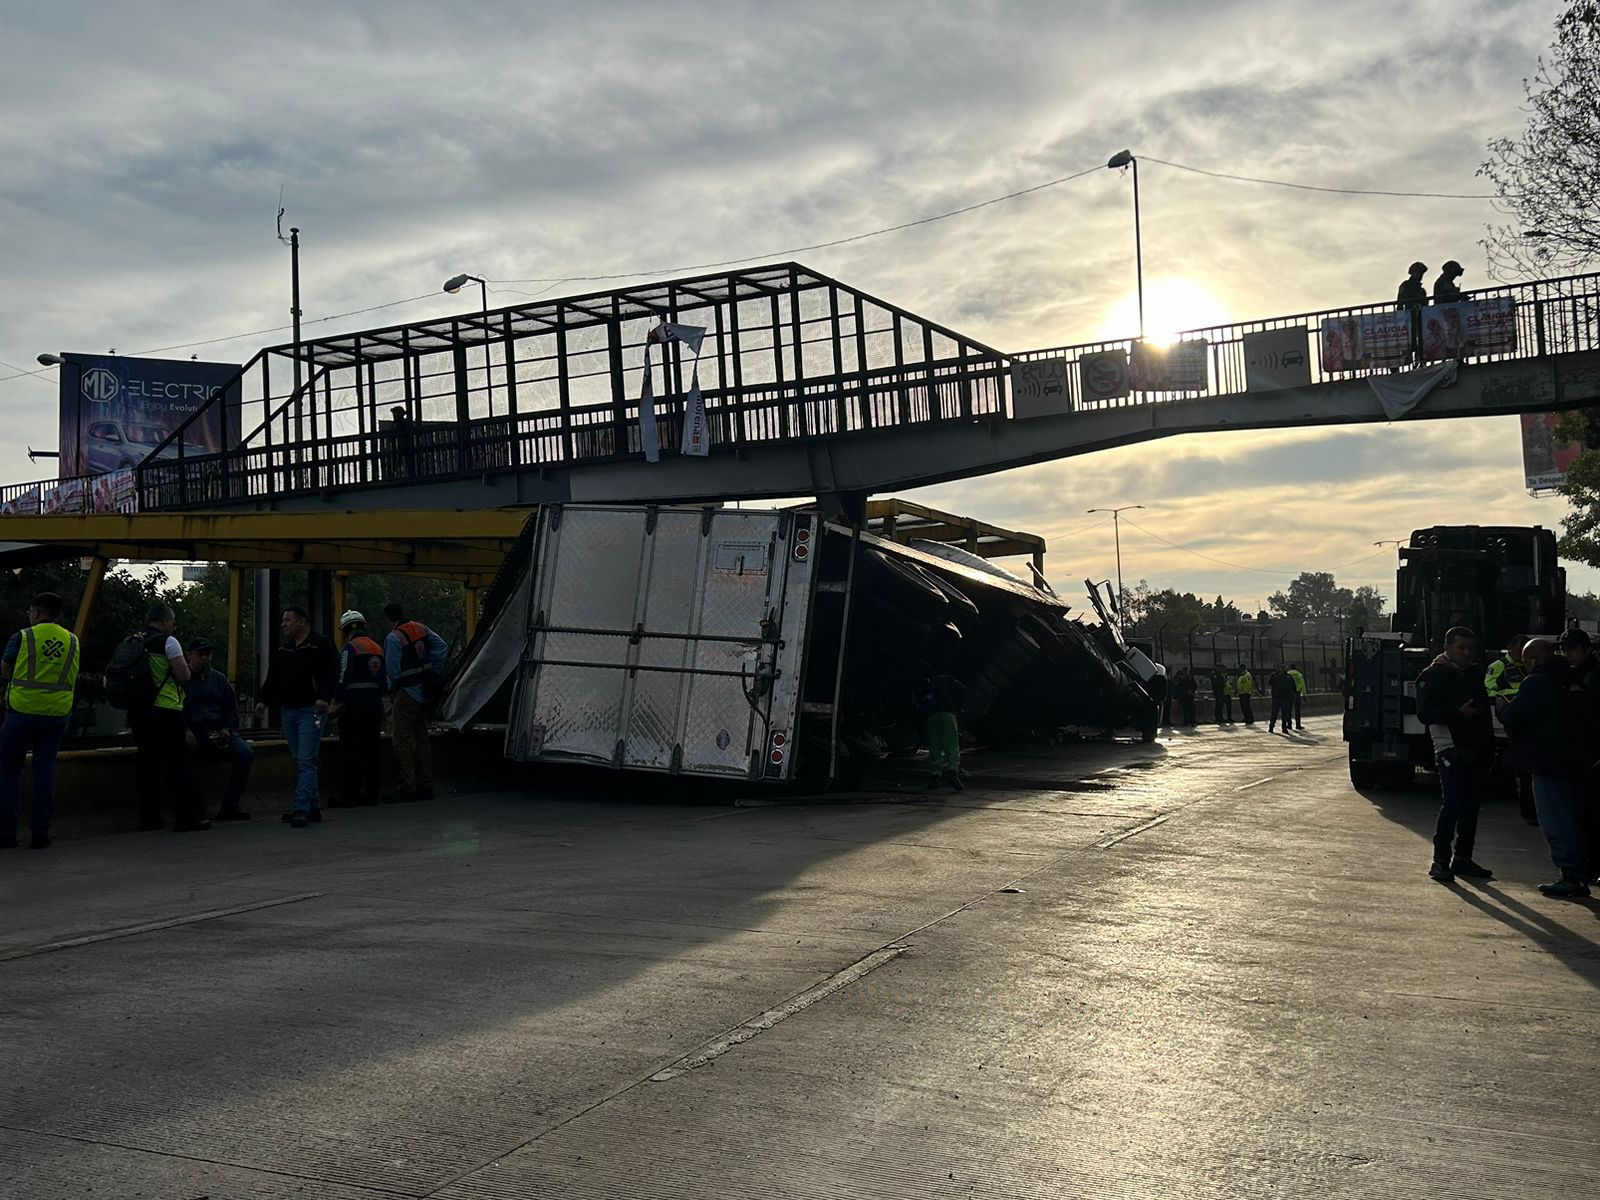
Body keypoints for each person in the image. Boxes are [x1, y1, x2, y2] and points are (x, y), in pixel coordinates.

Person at [1498, 638, 1589, 898]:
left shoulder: (1537, 683)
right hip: (1579, 760)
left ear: (1534, 659)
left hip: (1548, 761)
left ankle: (1570, 876)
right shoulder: (1575, 680)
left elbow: (1515, 715)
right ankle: (1582, 871)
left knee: (1556, 819)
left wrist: (1503, 708)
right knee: (1577, 818)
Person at [0, 593, 81, 849]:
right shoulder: (72, 640)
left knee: (8, 772)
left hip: (21, 712)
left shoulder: (23, 637)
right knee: (45, 772)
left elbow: (4, 669)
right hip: (57, 715)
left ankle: (6, 834)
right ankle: (40, 834)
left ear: (35, 613)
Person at [1415, 626, 1495, 884]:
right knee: (1453, 804)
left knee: (1471, 807)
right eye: (1461, 648)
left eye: (1471, 649)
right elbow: (1425, 714)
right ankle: (1440, 862)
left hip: (1476, 750)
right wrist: (1458, 714)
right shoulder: (1433, 675)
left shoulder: (1473, 674)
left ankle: (1463, 858)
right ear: (1448, 648)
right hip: (1450, 749)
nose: (1467, 653)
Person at [256, 605, 338, 828]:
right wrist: (263, 701)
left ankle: (300, 808)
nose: (284, 624)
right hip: (288, 710)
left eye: (288, 620)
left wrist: (324, 697)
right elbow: (273, 678)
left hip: (311, 711)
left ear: (302, 622)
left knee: (306, 760)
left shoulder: (321, 645)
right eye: (283, 620)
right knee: (301, 760)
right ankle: (313, 807)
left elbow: (332, 672)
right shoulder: (285, 650)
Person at [130, 604, 208, 833]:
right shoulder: (168, 641)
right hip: (166, 709)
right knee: (178, 766)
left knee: (147, 765)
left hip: (140, 711)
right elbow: (184, 675)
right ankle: (187, 818)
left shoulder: (133, 640)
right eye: (172, 623)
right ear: (164, 622)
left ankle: (150, 819)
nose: (173, 627)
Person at [182, 638, 252, 821]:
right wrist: (186, 730)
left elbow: (231, 710)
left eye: (208, 654)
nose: (205, 659)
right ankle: (196, 807)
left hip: (219, 732)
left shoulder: (219, 680)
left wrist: (227, 729)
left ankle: (230, 804)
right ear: (189, 656)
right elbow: (176, 711)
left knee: (245, 754)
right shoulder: (182, 680)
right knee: (187, 760)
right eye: (201, 654)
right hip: (195, 733)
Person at [384, 603, 448, 802]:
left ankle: (406, 787)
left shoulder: (393, 638)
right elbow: (442, 647)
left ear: (389, 619)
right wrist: (432, 672)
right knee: (421, 738)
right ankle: (426, 784)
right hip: (425, 692)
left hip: (407, 692)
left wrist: (390, 688)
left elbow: (393, 672)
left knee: (401, 739)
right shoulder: (420, 628)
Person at [1558, 628, 1600, 883]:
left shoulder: (1593, 677)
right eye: (1564, 650)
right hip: (1582, 753)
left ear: (1586, 649)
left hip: (1592, 754)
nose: (1567, 654)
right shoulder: (1577, 674)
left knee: (1593, 815)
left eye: (1571, 650)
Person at [331, 610, 385, 808]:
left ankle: (351, 794)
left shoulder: (350, 648)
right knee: (371, 749)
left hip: (354, 706)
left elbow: (344, 674)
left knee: (351, 749)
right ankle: (372, 793)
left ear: (345, 630)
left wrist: (336, 702)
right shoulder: (378, 648)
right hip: (374, 704)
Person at [1485, 636, 1536, 825]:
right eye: (1520, 647)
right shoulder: (1498, 666)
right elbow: (1489, 689)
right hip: (1507, 715)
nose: (1523, 652)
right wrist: (1516, 695)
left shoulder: (1528, 666)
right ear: (1510, 647)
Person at [913, 672, 966, 791]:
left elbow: (918, 706)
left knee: (934, 745)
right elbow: (962, 688)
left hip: (931, 716)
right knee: (951, 744)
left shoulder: (923, 686)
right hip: (948, 713)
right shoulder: (947, 680)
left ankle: (936, 775)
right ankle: (952, 772)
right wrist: (958, 707)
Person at [1397, 261, 1428, 359]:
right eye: (1418, 273)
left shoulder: (1421, 290)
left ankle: (1420, 361)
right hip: (1408, 320)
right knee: (1409, 343)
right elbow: (1400, 303)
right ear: (1412, 273)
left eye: (1421, 273)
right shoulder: (1405, 286)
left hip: (1420, 320)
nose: (1420, 275)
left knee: (1422, 343)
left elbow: (1425, 305)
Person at [1267, 665, 1297, 734]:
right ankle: (1271, 726)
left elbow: (1293, 686)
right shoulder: (1274, 676)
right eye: (1279, 668)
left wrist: (1292, 694)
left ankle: (1284, 727)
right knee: (1274, 713)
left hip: (1285, 698)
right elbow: (1270, 683)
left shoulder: (1288, 676)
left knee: (1285, 714)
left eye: (1282, 668)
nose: (1280, 669)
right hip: (1276, 697)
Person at [1287, 663, 1307, 729]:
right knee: (1297, 710)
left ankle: (1289, 725)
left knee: (1288, 710)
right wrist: (1304, 695)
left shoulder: (1287, 674)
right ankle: (1298, 725)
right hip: (1297, 693)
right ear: (1295, 668)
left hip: (1289, 694)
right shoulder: (1298, 674)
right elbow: (1303, 685)